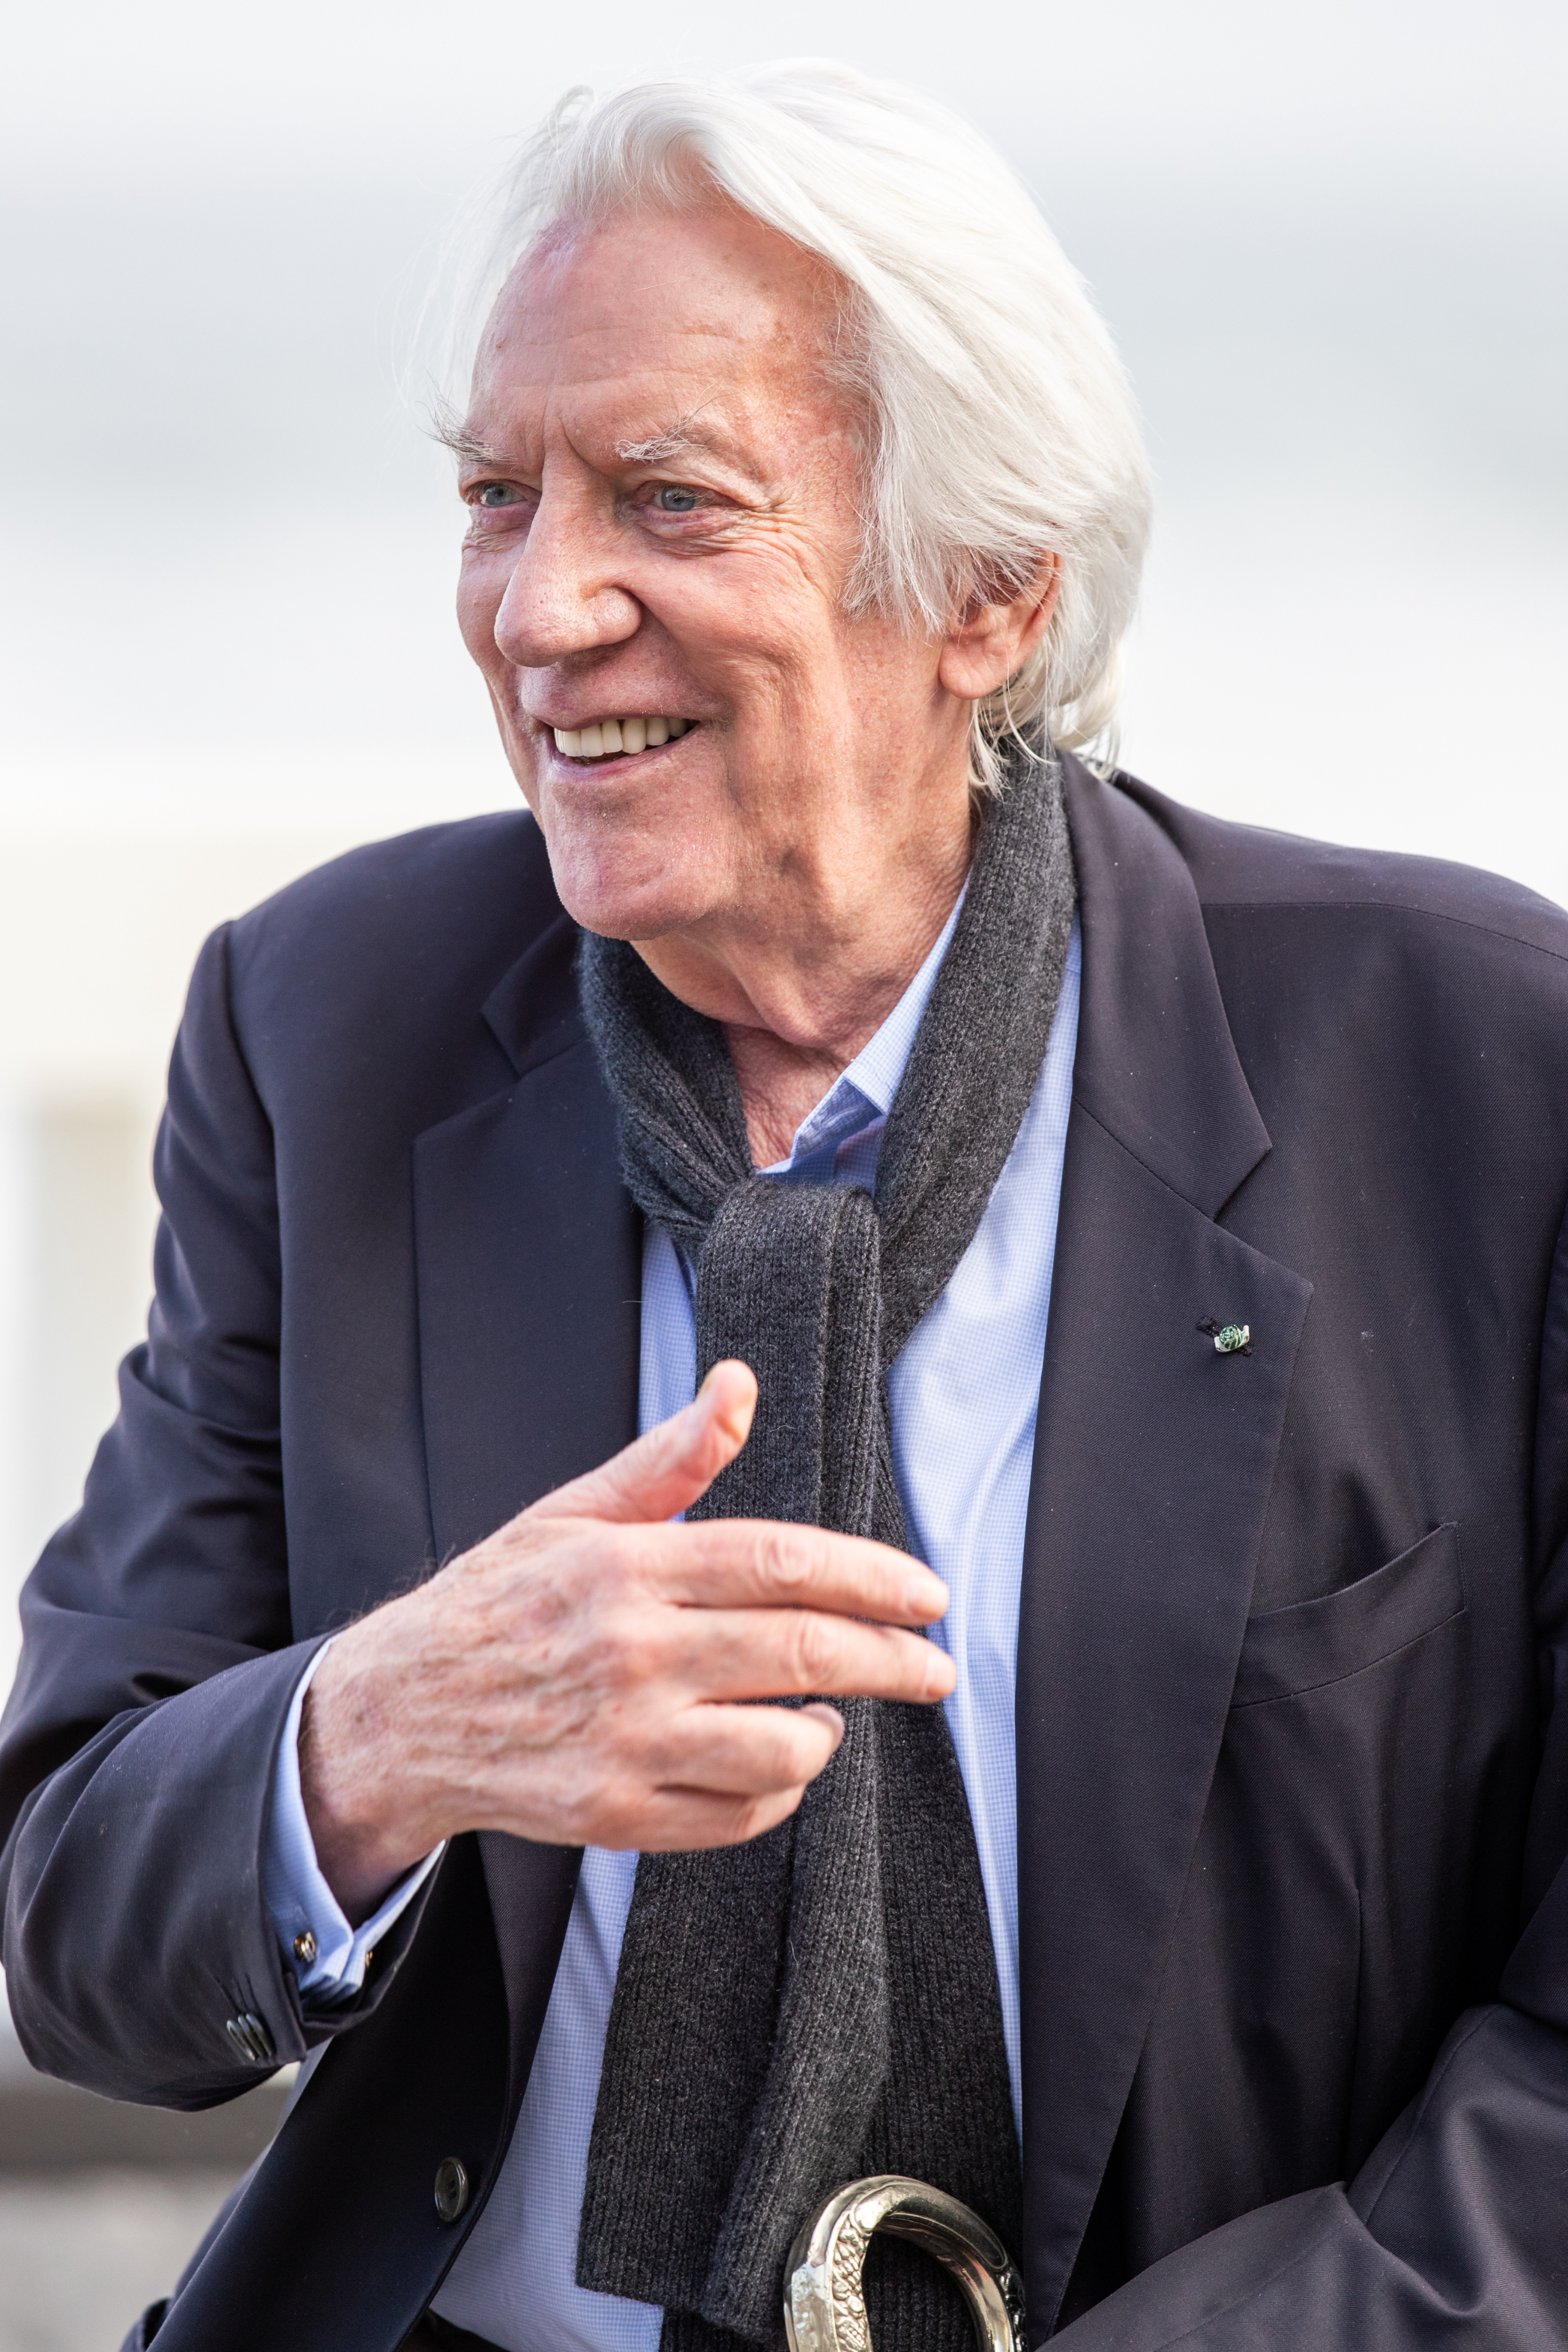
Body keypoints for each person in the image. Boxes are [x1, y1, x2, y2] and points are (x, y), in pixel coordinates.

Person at [3, 58, 1568, 2352]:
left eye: (665, 497)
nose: (543, 609)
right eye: (494, 495)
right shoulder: (328, 1027)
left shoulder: (1472, 1071)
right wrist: (370, 1737)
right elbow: (71, 1926)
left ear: (988, 591)